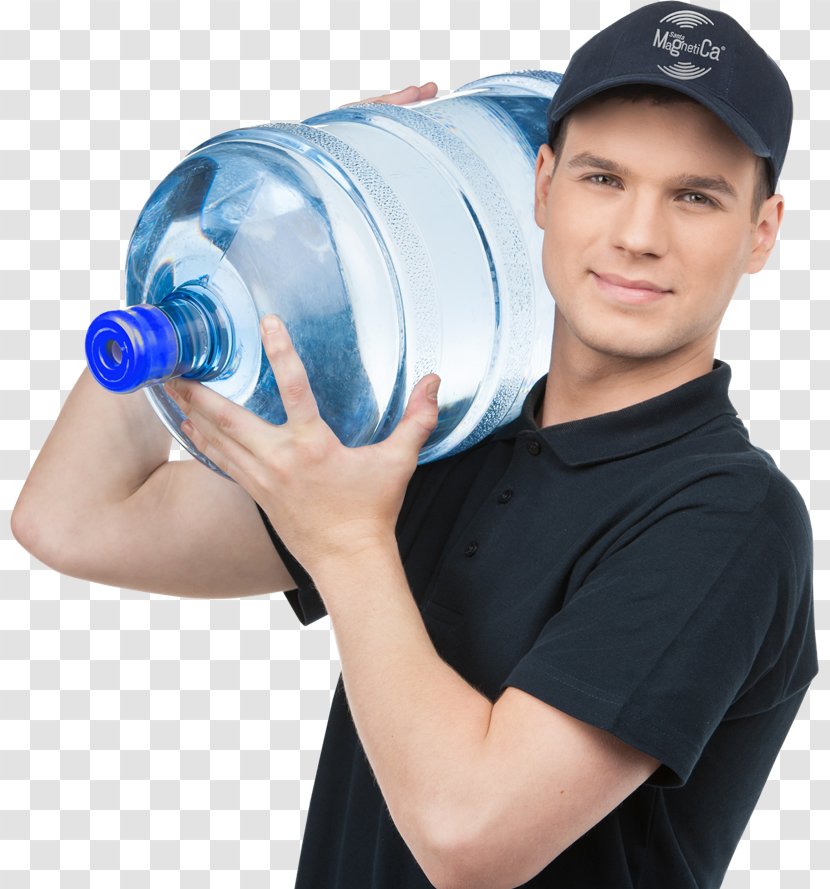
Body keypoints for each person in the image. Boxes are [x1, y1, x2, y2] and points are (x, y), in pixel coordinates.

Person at [12, 2, 818, 887]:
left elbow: (470, 836)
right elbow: (73, 517)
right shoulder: (437, 431)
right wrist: (241, 252)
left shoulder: (729, 516)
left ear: (761, 233)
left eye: (695, 196)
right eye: (602, 178)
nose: (637, 234)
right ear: (540, 187)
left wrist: (350, 544)